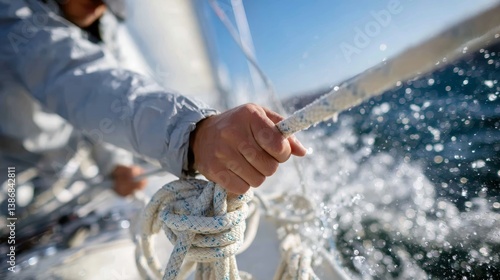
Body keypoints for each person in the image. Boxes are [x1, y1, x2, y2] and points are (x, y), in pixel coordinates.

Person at [0, 0, 307, 201]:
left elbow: (105, 105)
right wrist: (194, 134)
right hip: (11, 197)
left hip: (68, 192)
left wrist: (115, 166)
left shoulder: (105, 28)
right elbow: (81, 82)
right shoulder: (15, 21)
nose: (98, 4)